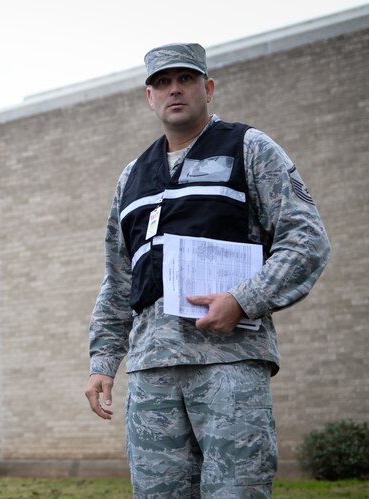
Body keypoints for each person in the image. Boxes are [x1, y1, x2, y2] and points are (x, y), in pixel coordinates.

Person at [84, 44, 331, 498]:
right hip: (151, 369)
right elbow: (118, 278)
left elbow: (307, 240)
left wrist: (243, 299)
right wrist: (103, 361)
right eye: (162, 82)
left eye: (186, 79)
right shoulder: (132, 176)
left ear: (208, 88)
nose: (173, 89)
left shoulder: (249, 147)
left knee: (236, 490)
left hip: (228, 362)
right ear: (150, 97)